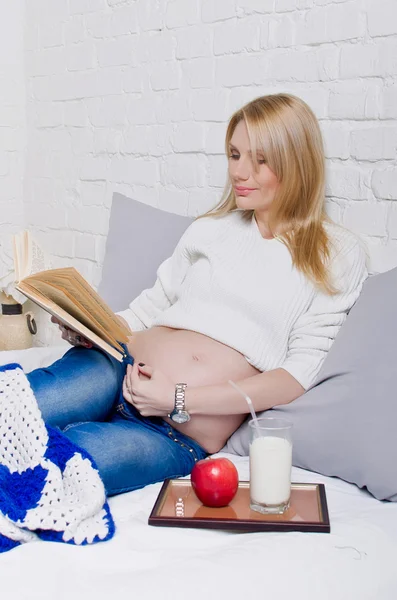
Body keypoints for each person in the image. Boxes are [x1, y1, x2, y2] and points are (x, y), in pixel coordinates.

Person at [26, 93, 367, 497]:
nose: (239, 172)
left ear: (296, 161)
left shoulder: (335, 251)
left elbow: (295, 377)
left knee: (57, 476)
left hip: (175, 430)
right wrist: (88, 326)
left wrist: (177, 397)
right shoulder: (210, 230)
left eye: (259, 159)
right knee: (16, 414)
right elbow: (144, 312)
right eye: (234, 154)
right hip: (112, 366)